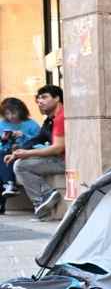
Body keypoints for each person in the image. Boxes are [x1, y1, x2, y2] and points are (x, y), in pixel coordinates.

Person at [4, 85, 66, 220]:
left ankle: (44, 197)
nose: (40, 101)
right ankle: (43, 200)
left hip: (65, 161)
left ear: (57, 98)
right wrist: (17, 153)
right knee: (18, 162)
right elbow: (38, 138)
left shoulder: (61, 118)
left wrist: (26, 154)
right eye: (38, 99)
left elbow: (58, 148)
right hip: (57, 158)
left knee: (21, 165)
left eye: (44, 97)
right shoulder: (50, 120)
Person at [0, 97, 42, 202]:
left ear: (21, 111)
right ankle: (8, 186)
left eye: (13, 113)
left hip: (26, 151)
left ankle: (9, 184)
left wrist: (23, 136)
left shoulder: (31, 124)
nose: (11, 117)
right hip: (6, 151)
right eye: (7, 114)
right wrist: (4, 139)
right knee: (2, 155)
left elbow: (40, 141)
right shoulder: (2, 124)